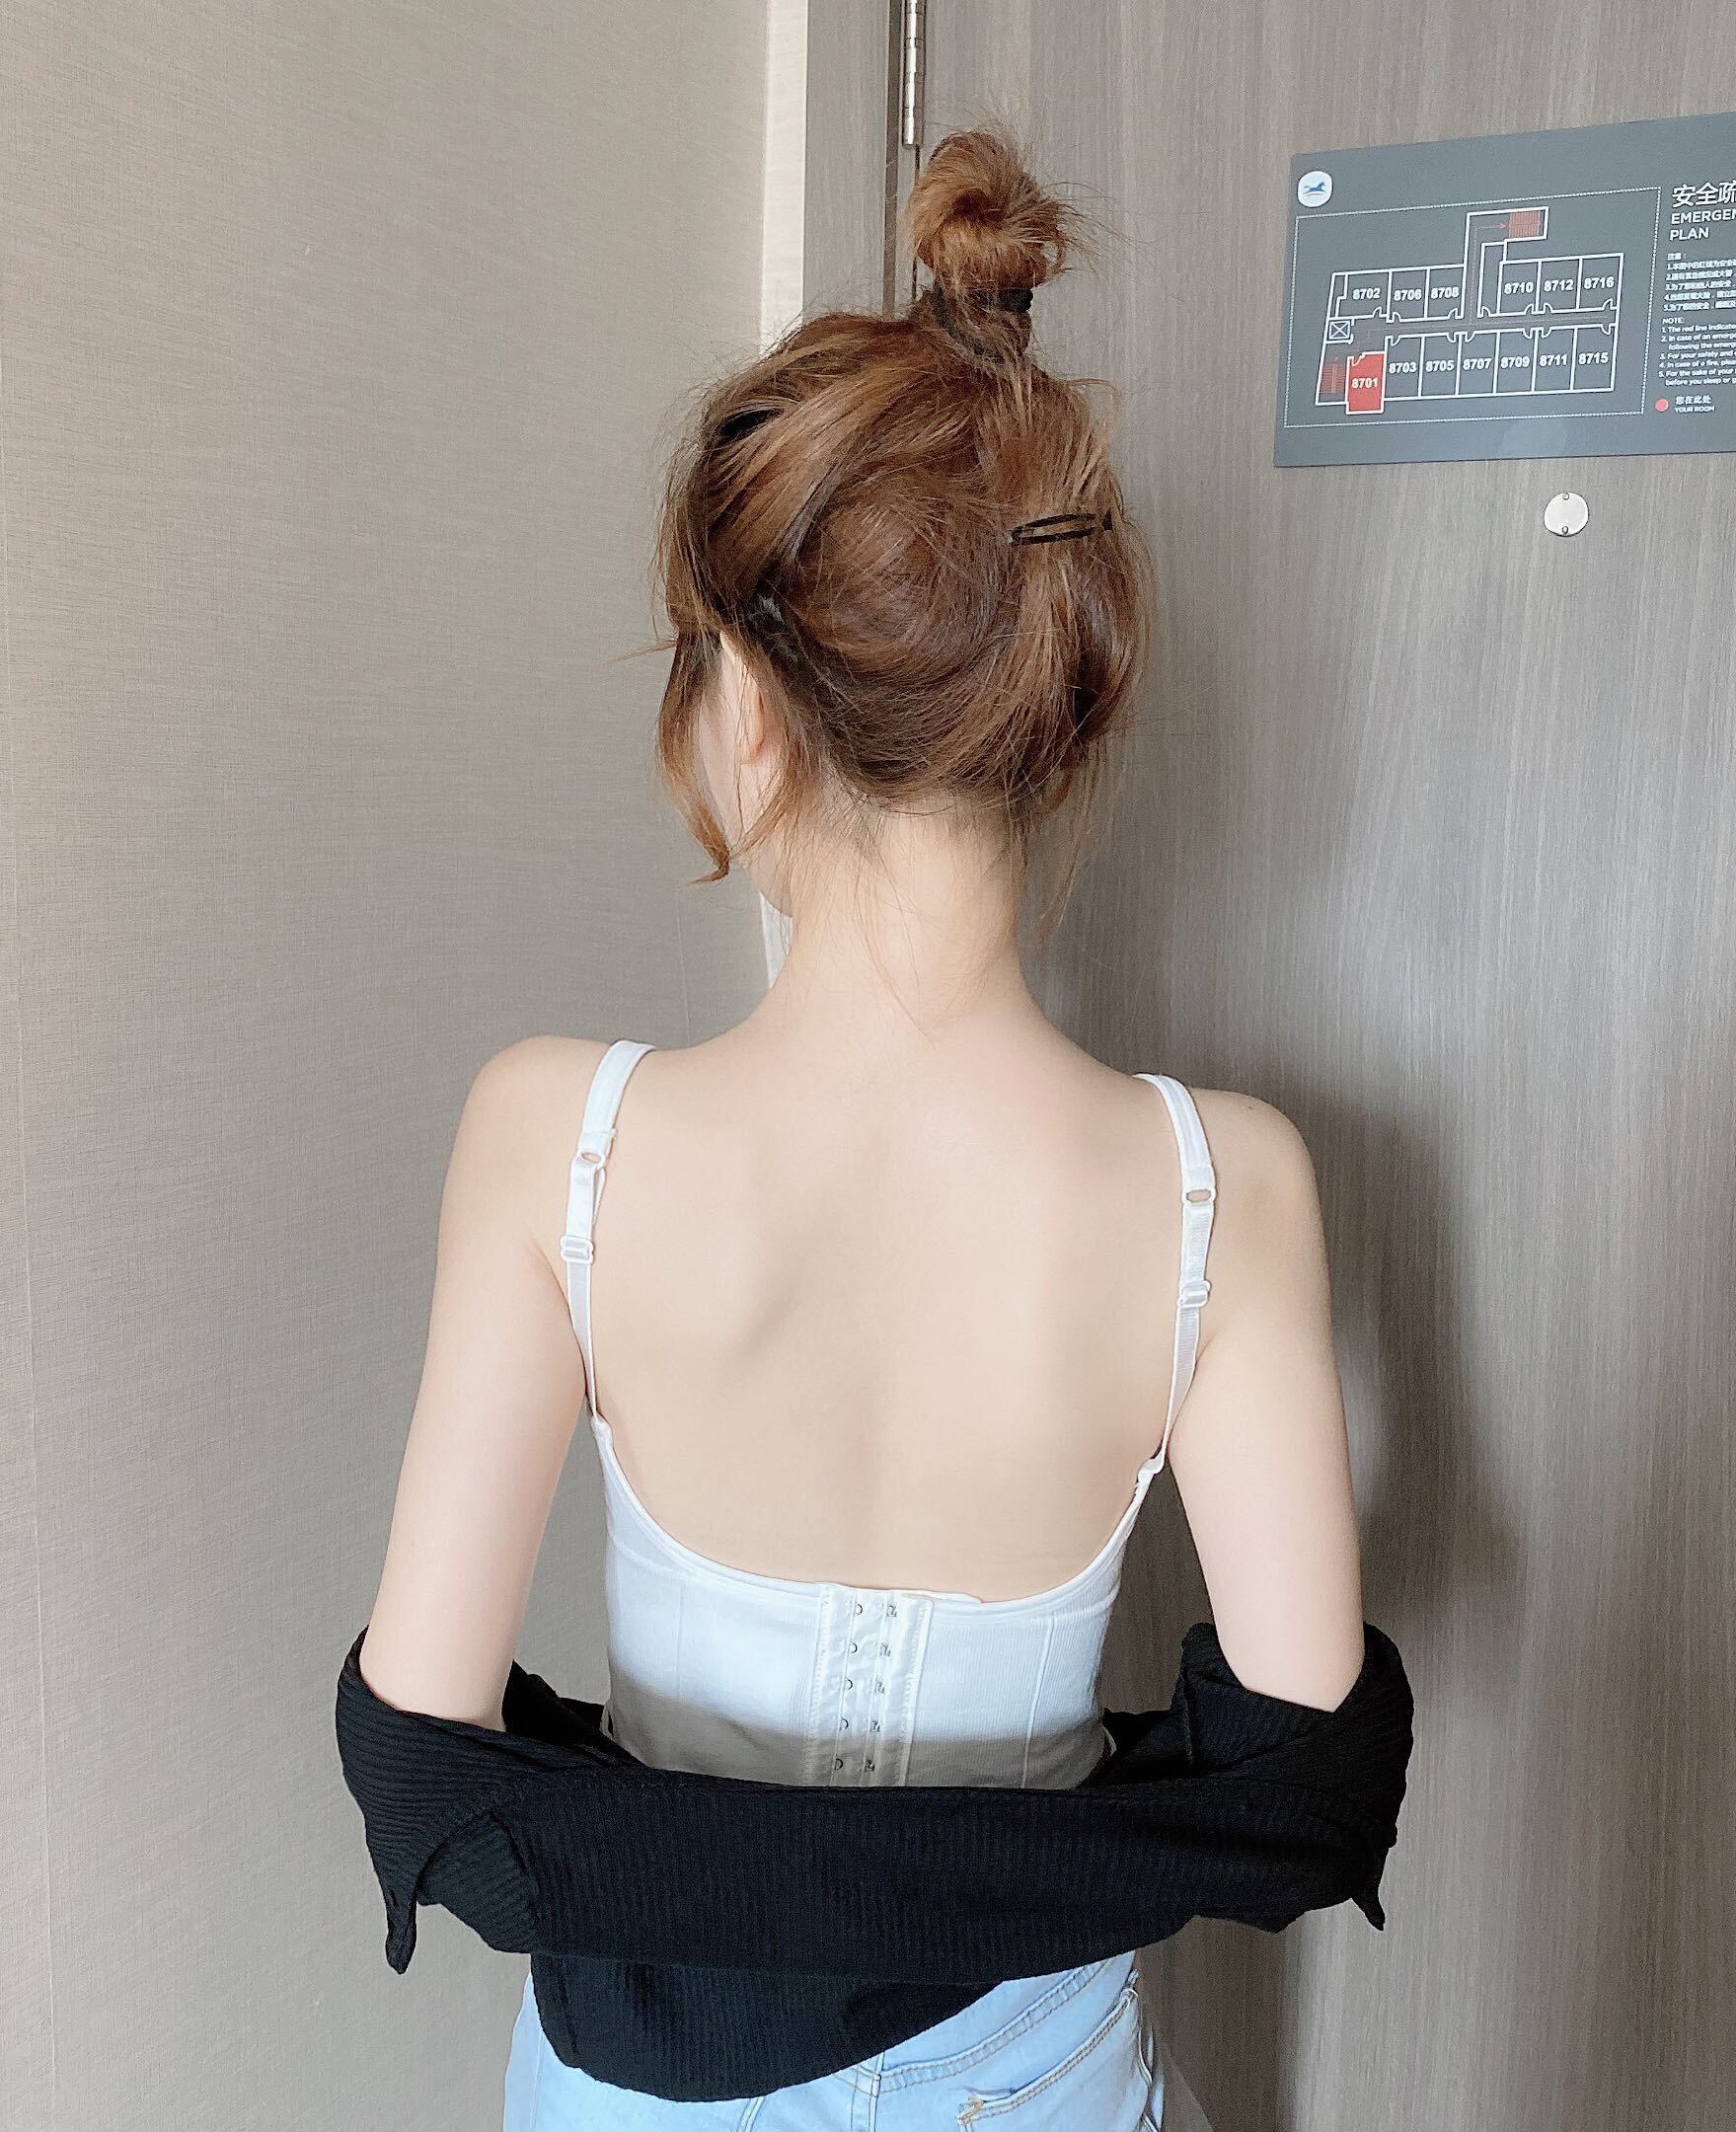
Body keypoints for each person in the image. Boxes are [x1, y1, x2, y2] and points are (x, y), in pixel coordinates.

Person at [353, 122, 1367, 2130]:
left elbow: (427, 1756)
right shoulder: (1222, 1189)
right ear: (1060, 710)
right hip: (1041, 2077)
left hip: (641, 2085)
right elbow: (1307, 1771)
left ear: (744, 703)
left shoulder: (557, 1140)